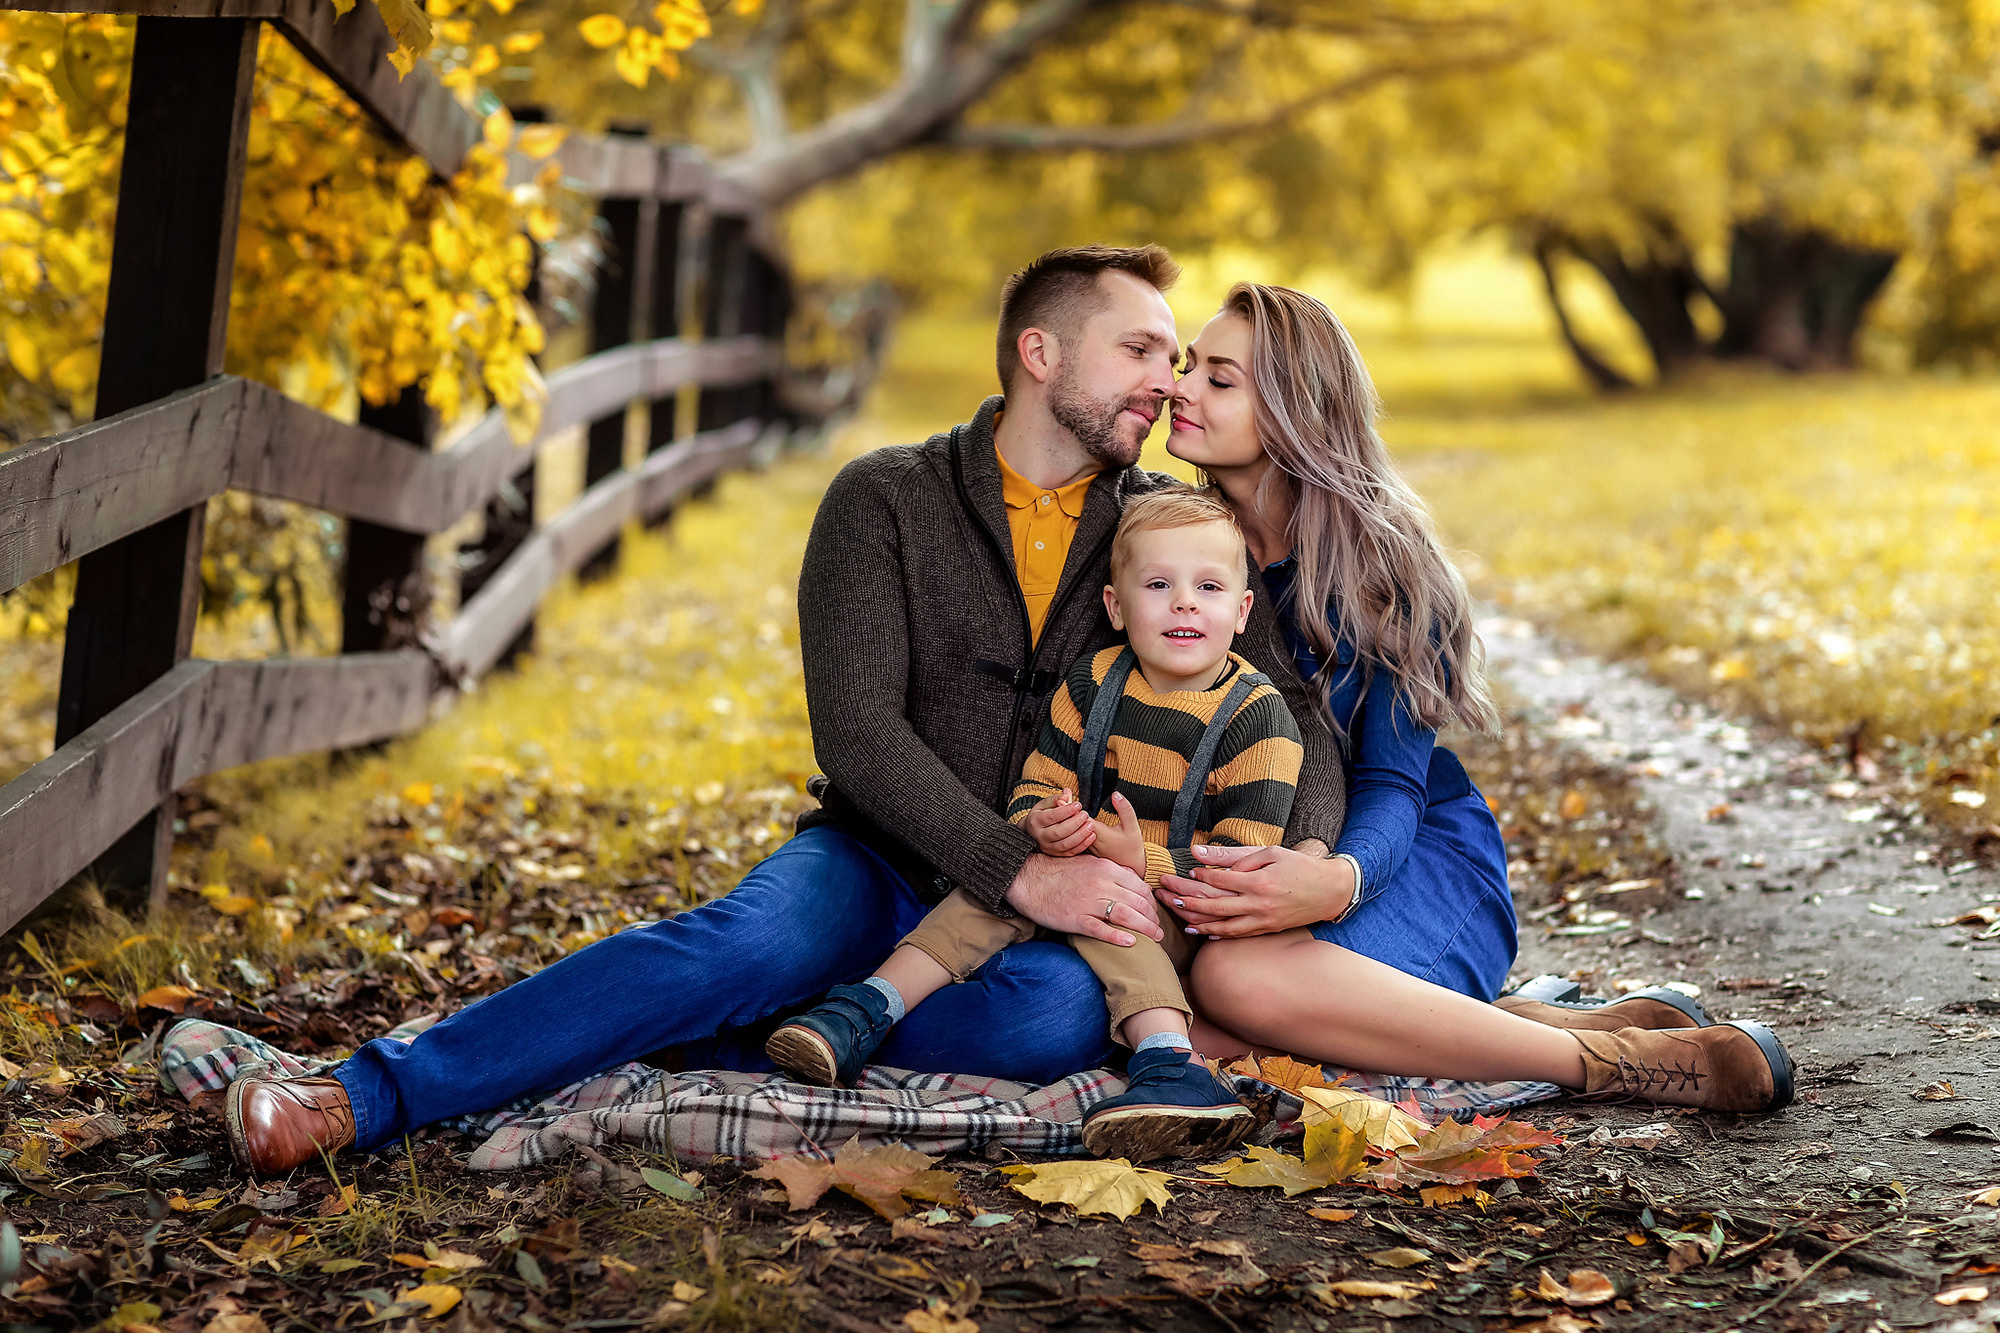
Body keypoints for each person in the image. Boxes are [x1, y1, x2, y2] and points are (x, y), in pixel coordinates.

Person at [224, 245, 1355, 1177]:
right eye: (1143, 349)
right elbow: (856, 736)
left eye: (1176, 357)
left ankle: (702, 1017)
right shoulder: (884, 498)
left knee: (1039, 1024)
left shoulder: (1160, 529)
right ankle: (362, 1094)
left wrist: (1301, 858)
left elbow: (1290, 711)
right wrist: (1015, 864)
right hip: (875, 857)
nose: (1167, 380)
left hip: (1054, 903)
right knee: (746, 940)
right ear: (1040, 352)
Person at [1150, 282, 1794, 1111]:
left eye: (1219, 377)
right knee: (1162, 1017)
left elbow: (1394, 785)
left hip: (1408, 861)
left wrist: (1335, 880)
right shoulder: (1170, 551)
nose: (1181, 387)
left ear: (1290, 410)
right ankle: (1531, 1025)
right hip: (1255, 870)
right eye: (1188, 366)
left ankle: (1625, 1061)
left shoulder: (1382, 570)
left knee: (1236, 984)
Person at [766, 488, 1302, 1161]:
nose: (1185, 602)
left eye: (1209, 586)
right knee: (988, 889)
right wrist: (1046, 826)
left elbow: (1243, 865)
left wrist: (1141, 862)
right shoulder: (1093, 682)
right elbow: (1037, 786)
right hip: (1075, 872)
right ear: (1116, 605)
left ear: (1242, 609)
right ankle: (864, 1008)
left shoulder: (1257, 718)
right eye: (1159, 584)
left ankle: (1174, 1064)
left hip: (1180, 910)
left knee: (1112, 903)